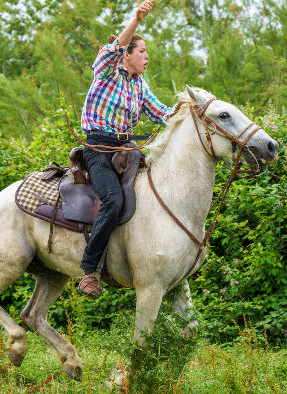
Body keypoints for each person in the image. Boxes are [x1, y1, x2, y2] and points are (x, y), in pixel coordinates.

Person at [77, 0, 172, 299]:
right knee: (113, 201)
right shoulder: (107, 71)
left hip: (125, 149)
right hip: (98, 148)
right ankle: (90, 271)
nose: (146, 58)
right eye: (142, 52)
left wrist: (199, 112)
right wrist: (136, 19)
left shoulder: (140, 85)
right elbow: (113, 49)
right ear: (127, 55)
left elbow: (163, 114)